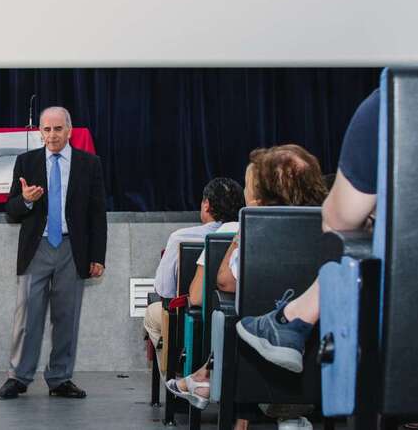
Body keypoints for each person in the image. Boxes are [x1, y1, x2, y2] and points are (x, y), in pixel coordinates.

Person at [167, 144, 328, 430]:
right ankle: (290, 415)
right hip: (323, 357)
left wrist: (241, 233)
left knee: (225, 314)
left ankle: (207, 378)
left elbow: (226, 282)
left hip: (258, 362)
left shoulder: (258, 228)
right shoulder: (335, 224)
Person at [236, 90, 379, 374]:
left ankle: (294, 319)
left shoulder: (385, 106)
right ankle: (292, 320)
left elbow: (341, 219)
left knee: (343, 233)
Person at [0, 106, 107, 400]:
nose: (52, 135)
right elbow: (10, 211)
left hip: (74, 249)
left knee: (66, 317)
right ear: (40, 132)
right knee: (27, 316)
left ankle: (59, 378)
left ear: (69, 131)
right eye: (46, 129)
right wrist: (26, 201)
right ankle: (18, 377)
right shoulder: (26, 162)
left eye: (58, 129)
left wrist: (98, 256)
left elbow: (97, 214)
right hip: (37, 248)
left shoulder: (89, 163)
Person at [143, 178, 244, 351]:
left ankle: (175, 371)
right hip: (241, 319)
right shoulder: (251, 234)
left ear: (206, 205)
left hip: (191, 320)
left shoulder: (180, 238)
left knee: (151, 316)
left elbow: (164, 290)